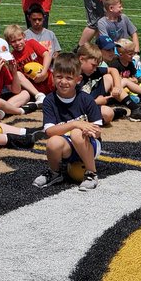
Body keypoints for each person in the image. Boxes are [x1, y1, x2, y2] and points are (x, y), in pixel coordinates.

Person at [32, 52, 102, 192]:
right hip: (67, 146)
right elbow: (49, 131)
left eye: (69, 78)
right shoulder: (49, 100)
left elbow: (98, 130)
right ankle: (55, 173)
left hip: (89, 144)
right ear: (53, 76)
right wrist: (76, 124)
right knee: (53, 142)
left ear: (78, 79)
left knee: (76, 133)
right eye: (59, 77)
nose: (63, 81)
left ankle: (91, 173)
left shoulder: (86, 99)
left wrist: (89, 131)